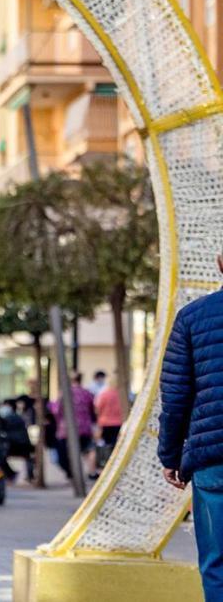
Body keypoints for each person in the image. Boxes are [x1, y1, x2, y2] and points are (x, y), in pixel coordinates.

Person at [158, 251, 223, 602]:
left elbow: (176, 397)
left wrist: (171, 456)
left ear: (219, 264)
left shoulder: (192, 318)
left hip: (214, 459)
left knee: (217, 563)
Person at [49, 372, 96, 480]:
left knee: (64, 453)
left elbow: (57, 410)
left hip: (66, 429)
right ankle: (90, 471)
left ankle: (71, 472)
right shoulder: (87, 393)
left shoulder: (64, 393)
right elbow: (92, 411)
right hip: (85, 428)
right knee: (87, 450)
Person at [95, 371, 124, 447]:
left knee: (106, 444)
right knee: (116, 445)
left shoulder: (103, 394)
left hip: (105, 423)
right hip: (119, 423)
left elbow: (98, 409)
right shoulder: (121, 395)